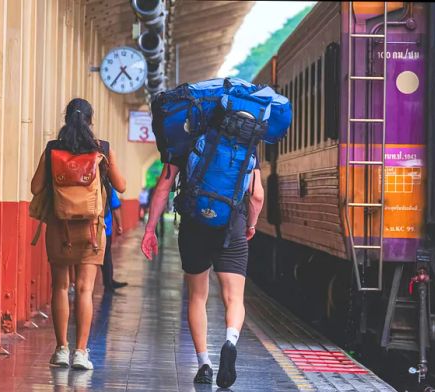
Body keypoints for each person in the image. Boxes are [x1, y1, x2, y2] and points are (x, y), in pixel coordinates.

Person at [141, 161, 264, 388]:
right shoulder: (244, 136)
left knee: (197, 296)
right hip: (232, 224)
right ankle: (230, 341)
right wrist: (251, 225)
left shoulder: (185, 136)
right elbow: (256, 195)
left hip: (194, 225)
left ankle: (203, 364)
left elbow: (163, 188)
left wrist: (150, 228)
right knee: (234, 297)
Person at [31, 98, 126, 370]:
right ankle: (81, 352)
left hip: (59, 227)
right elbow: (121, 185)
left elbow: (36, 187)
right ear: (90, 121)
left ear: (66, 119)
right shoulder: (102, 149)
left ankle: (61, 349)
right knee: (85, 289)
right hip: (91, 230)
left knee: (60, 287)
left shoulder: (52, 149)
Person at [101, 186, 127, 291]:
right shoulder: (108, 186)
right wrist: (119, 226)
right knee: (106, 256)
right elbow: (115, 208)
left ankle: (109, 281)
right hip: (105, 228)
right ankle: (108, 284)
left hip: (85, 227)